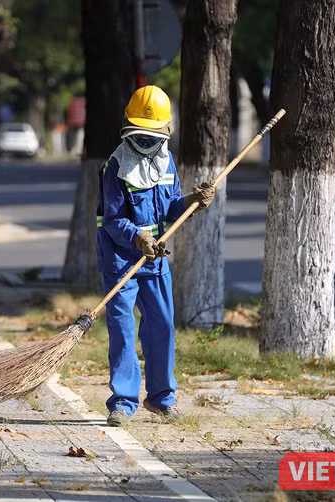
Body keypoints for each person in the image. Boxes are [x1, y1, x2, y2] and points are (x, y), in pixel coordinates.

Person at [96, 85, 216, 427]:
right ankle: (122, 402)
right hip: (121, 261)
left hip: (156, 260)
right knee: (122, 328)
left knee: (162, 325)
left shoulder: (166, 163)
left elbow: (172, 209)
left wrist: (192, 201)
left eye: (152, 136)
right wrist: (139, 238)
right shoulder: (115, 167)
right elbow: (113, 219)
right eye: (140, 135)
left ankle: (162, 398)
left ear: (165, 132)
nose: (145, 142)